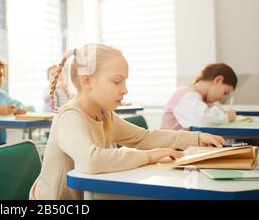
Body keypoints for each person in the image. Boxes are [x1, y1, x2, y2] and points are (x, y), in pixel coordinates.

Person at [29, 43, 226, 200]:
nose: (125, 90)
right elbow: (91, 160)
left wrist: (197, 138)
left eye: (125, 81)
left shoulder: (104, 114)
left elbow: (144, 137)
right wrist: (149, 157)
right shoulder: (70, 116)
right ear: (87, 80)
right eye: (117, 81)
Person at [161, 63, 237, 130]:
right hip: (171, 145)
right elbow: (202, 119)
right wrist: (227, 116)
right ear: (218, 80)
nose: (222, 98)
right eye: (225, 92)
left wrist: (224, 114)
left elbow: (217, 110)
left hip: (183, 143)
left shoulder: (201, 99)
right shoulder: (185, 95)